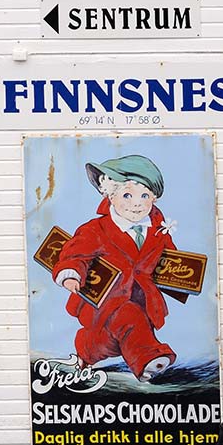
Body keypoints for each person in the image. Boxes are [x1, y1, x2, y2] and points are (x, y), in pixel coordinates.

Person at [53, 154, 178, 381]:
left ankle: (86, 348)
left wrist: (181, 277)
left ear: (154, 198)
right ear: (110, 195)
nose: (136, 203)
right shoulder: (96, 229)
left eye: (144, 195)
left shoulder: (158, 231)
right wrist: (71, 273)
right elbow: (76, 252)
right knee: (128, 318)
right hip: (104, 300)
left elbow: (171, 261)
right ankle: (148, 360)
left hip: (144, 301)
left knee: (110, 342)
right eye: (127, 195)